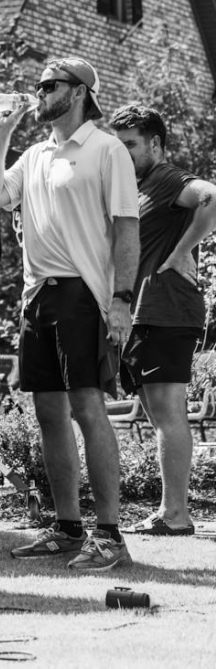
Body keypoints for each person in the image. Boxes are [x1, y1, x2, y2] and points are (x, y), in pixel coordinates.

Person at [0, 56, 140, 571]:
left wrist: (121, 300)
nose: (40, 93)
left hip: (81, 295)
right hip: (37, 297)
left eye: (51, 86)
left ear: (80, 92)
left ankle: (109, 535)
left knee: (88, 407)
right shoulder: (36, 154)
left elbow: (128, 229)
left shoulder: (106, 149)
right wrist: (0, 134)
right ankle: (68, 529)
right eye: (40, 86)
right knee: (49, 413)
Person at [109, 104, 216, 536]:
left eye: (130, 145)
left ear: (155, 143)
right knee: (157, 411)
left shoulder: (167, 178)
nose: (123, 154)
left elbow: (212, 196)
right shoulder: (139, 188)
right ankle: (169, 510)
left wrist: (180, 251)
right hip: (148, 314)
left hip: (169, 310)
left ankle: (176, 516)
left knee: (168, 411)